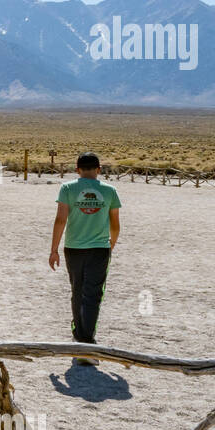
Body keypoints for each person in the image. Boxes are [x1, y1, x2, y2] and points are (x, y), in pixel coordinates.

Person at [48, 151, 121, 362]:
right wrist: (111, 244)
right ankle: (86, 345)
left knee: (77, 291)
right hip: (99, 248)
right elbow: (115, 224)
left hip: (73, 248)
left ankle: (79, 338)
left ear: (77, 169)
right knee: (93, 295)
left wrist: (54, 249)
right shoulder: (109, 191)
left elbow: (60, 219)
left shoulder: (68, 188)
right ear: (98, 169)